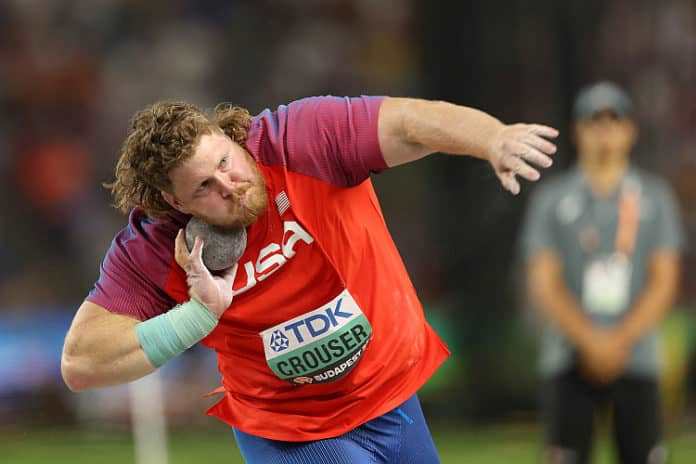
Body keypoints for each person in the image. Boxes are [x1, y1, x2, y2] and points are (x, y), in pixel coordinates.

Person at [61, 95, 557, 463]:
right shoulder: (156, 246)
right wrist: (197, 316)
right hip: (290, 432)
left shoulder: (301, 140)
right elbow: (81, 361)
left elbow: (409, 123)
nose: (229, 186)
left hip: (389, 396)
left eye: (225, 163)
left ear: (230, 139)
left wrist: (492, 137)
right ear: (176, 204)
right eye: (204, 188)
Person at [521, 82, 684, 464]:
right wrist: (589, 339)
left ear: (631, 130)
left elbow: (665, 280)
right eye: (595, 122)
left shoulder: (655, 198)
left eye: (615, 121)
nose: (605, 132)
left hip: (637, 353)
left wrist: (619, 339)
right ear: (578, 131)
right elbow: (543, 280)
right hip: (568, 352)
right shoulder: (552, 200)